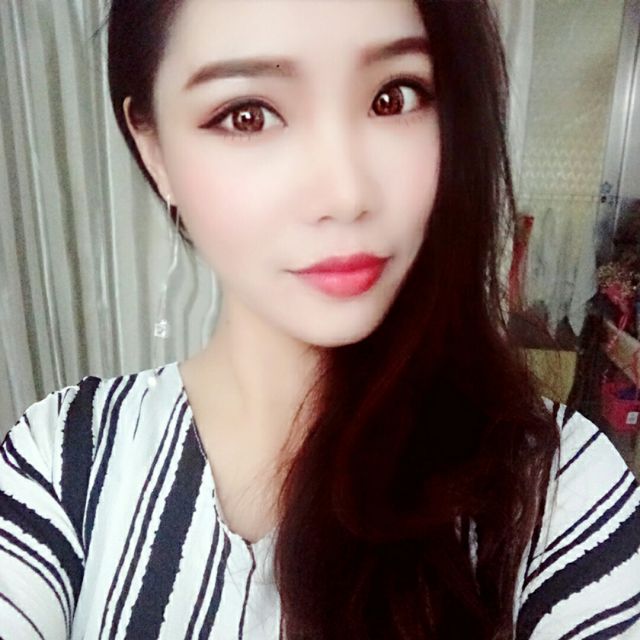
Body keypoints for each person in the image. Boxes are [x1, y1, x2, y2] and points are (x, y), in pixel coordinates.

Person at [1, 0, 639, 638]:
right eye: (247, 115)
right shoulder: (63, 460)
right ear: (155, 149)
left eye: (395, 97)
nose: (346, 194)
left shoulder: (556, 486)